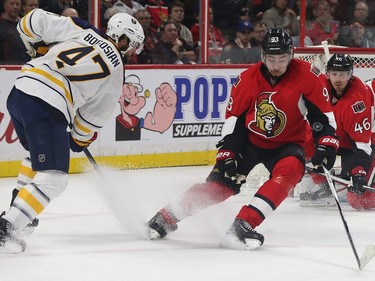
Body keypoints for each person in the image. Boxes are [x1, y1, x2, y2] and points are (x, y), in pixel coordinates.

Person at [147, 28, 338, 250]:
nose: (276, 65)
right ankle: (164, 218)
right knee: (220, 186)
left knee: (290, 172)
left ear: (291, 55)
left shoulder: (308, 76)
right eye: (271, 59)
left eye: (282, 59)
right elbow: (234, 119)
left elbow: (322, 117)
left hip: (287, 144)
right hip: (249, 142)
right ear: (263, 57)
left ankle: (243, 224)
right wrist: (228, 152)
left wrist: (326, 143)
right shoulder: (247, 79)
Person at [0, 9, 144, 253]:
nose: (132, 52)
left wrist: (35, 48)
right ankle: (6, 228)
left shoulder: (82, 30)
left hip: (20, 92)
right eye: (133, 46)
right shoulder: (117, 68)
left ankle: (20, 207)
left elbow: (31, 20)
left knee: (37, 156)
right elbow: (92, 117)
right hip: (47, 105)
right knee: (55, 178)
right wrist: (78, 139)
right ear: (122, 40)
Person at [300, 54, 375, 210]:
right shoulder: (320, 87)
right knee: (301, 141)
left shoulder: (357, 100)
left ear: (350, 75)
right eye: (334, 74)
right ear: (328, 74)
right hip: (339, 138)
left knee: (359, 199)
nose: (338, 79)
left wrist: (358, 172)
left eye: (343, 74)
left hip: (363, 143)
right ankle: (324, 185)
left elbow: (362, 145)